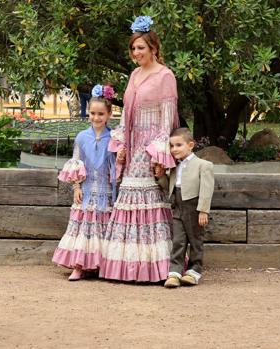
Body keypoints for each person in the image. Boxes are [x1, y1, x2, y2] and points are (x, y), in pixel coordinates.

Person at [99, 16, 180, 282]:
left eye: (141, 48)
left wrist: (158, 151)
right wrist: (121, 142)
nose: (136, 53)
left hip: (150, 145)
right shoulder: (134, 74)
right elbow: (126, 115)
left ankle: (152, 267)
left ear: (153, 48)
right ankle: (126, 265)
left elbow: (167, 117)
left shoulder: (165, 76)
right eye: (133, 48)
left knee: (145, 197)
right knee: (128, 196)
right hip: (132, 143)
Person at [52, 85, 118, 280]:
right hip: (87, 189)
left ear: (108, 115)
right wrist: (76, 187)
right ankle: (79, 265)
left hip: (106, 190)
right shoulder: (82, 137)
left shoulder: (114, 137)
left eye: (101, 114)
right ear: (87, 113)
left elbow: (117, 166)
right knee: (84, 227)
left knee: (103, 227)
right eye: (92, 113)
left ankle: (102, 265)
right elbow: (76, 162)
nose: (96, 118)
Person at [161, 128, 214, 288]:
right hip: (177, 205)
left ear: (191, 145)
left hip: (194, 206)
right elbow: (167, 186)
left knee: (195, 240)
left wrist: (203, 210)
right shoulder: (174, 167)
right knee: (178, 240)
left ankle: (194, 271)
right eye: (171, 146)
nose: (174, 149)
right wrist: (160, 175)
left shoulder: (203, 165)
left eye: (178, 145)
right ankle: (175, 272)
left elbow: (206, 189)